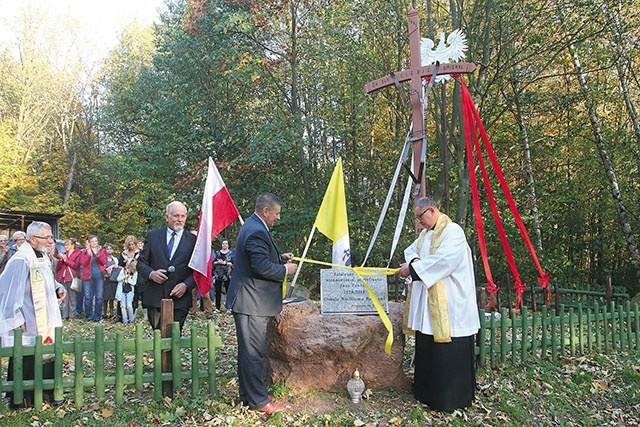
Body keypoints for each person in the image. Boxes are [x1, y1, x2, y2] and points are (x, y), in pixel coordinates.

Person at [395, 197, 480, 412]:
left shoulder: (453, 232)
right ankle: (426, 393)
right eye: (416, 218)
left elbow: (444, 261)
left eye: (420, 217)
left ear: (432, 210)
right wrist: (414, 264)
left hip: (451, 304)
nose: (418, 222)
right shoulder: (425, 235)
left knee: (448, 353)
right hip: (430, 306)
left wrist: (413, 269)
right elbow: (410, 252)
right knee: (428, 346)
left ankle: (450, 399)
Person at [225, 193, 298, 416]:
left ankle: (250, 395)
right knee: (252, 353)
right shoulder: (256, 230)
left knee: (250, 353)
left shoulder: (254, 226)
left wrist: (279, 258)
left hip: (252, 301)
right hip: (251, 302)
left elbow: (259, 258)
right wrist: (285, 270)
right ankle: (258, 402)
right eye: (276, 214)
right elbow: (260, 268)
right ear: (265, 211)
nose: (278, 218)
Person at [0, 221, 66, 408]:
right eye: (46, 237)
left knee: (47, 352)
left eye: (50, 237)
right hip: (29, 319)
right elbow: (8, 289)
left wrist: (57, 288)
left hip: (46, 316)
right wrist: (16, 318)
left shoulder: (42, 256)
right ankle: (24, 397)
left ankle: (46, 392)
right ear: (32, 239)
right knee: (27, 355)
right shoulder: (21, 259)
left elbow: (44, 282)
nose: (50, 241)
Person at [136, 201, 197, 331]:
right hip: (155, 297)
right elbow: (141, 263)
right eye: (176, 216)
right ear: (166, 217)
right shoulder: (153, 236)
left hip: (180, 298)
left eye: (182, 216)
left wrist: (186, 285)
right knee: (159, 338)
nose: (179, 220)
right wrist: (151, 274)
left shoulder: (193, 240)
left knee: (174, 337)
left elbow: (198, 270)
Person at [78, 235, 108, 322]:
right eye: (92, 241)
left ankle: (97, 316)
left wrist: (98, 254)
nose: (94, 243)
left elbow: (104, 262)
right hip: (87, 277)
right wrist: (88, 254)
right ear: (89, 243)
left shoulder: (102, 251)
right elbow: (83, 263)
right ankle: (89, 315)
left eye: (96, 241)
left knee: (99, 297)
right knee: (88, 297)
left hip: (99, 277)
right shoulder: (84, 251)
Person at [55, 238, 81, 319]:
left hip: (72, 277)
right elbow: (58, 267)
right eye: (65, 245)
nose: (65, 246)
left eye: (67, 245)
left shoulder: (78, 254)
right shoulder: (64, 253)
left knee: (72, 298)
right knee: (64, 297)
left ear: (72, 245)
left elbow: (76, 266)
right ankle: (65, 315)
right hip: (63, 277)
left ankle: (72, 315)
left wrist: (66, 260)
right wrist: (61, 259)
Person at [213, 239, 233, 312]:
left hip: (227, 274)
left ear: (228, 245)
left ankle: (229, 308)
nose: (224, 245)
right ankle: (217, 307)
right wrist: (218, 262)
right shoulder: (217, 253)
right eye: (223, 243)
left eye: (226, 244)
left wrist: (224, 263)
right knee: (217, 291)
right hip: (218, 274)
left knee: (228, 291)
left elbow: (232, 263)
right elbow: (213, 262)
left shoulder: (231, 253)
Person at [116, 260, 137, 325]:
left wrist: (128, 279)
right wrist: (125, 276)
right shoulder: (123, 271)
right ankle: (125, 321)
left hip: (130, 291)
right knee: (122, 306)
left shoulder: (135, 273)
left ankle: (131, 321)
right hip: (122, 291)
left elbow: (134, 283)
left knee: (129, 306)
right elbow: (118, 279)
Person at [102, 243, 120, 319]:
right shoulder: (103, 258)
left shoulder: (115, 259)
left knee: (112, 297)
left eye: (110, 249)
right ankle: (105, 312)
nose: (109, 250)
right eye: (107, 249)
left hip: (113, 279)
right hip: (105, 280)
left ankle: (112, 312)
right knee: (105, 297)